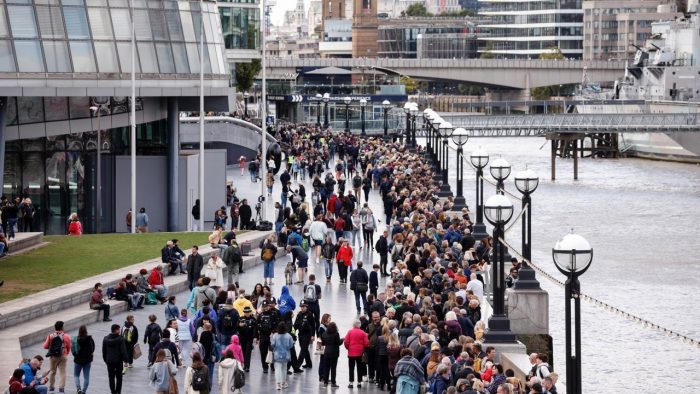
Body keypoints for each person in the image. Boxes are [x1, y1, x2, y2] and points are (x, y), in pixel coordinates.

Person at [42, 321, 72, 393]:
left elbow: (45, 346)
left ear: (55, 327)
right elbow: (69, 346)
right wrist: (66, 353)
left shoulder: (51, 336)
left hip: (53, 356)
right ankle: (61, 389)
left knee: (52, 372)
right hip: (63, 356)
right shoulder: (66, 336)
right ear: (62, 327)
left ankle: (51, 388)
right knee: (62, 372)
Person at [102, 324, 128, 394]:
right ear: (116, 330)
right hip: (118, 361)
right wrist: (126, 360)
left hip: (109, 361)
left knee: (111, 377)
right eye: (119, 329)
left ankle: (113, 392)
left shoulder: (105, 339)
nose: (120, 331)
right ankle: (118, 391)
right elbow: (123, 351)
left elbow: (104, 351)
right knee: (119, 377)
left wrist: (106, 360)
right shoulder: (120, 339)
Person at [343, 319, 369, 389]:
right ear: (359, 325)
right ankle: (359, 382)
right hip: (360, 353)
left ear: (353, 325)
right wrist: (362, 347)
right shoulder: (363, 333)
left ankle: (351, 383)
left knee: (351, 368)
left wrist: (348, 348)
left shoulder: (350, 332)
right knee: (359, 368)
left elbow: (345, 342)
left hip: (351, 353)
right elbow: (366, 343)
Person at [270, 322, 295, 391]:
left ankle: (278, 384)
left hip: (277, 355)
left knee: (277, 369)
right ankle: (283, 383)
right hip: (286, 355)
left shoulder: (275, 335)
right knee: (284, 369)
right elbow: (291, 345)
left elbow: (272, 344)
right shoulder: (288, 335)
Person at [71, 325, 94, 394]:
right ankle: (84, 391)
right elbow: (93, 349)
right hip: (87, 361)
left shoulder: (76, 339)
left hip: (77, 360)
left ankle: (78, 389)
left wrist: (76, 355)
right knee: (86, 377)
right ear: (86, 331)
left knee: (76, 375)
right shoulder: (90, 339)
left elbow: (73, 350)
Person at [237, 306, 257, 372]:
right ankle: (243, 365)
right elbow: (237, 327)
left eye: (248, 312)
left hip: (250, 338)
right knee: (243, 351)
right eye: (245, 312)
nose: (247, 313)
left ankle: (247, 366)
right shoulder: (241, 318)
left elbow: (255, 329)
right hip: (242, 337)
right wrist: (239, 326)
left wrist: (255, 337)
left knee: (248, 352)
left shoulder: (253, 319)